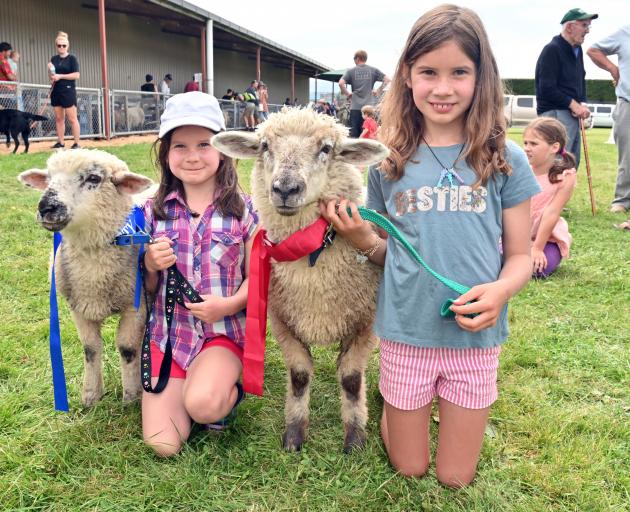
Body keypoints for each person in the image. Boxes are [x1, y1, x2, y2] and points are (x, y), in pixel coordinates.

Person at [321, 5, 540, 487]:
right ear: (407, 75)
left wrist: (501, 292)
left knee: (455, 477)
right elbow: (387, 253)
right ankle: (398, 411)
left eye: (459, 72)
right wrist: (361, 238)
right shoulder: (385, 163)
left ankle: (433, 408)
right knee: (410, 467)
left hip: (474, 338)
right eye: (429, 73)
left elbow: (522, 256)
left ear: (481, 76)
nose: (443, 88)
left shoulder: (505, 157)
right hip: (406, 333)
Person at [142, 91, 259, 457]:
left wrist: (228, 305)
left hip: (221, 334)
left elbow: (257, 280)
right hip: (169, 336)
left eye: (204, 144)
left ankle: (224, 395)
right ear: (165, 153)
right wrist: (148, 263)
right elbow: (143, 290)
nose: (192, 156)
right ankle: (189, 389)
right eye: (180, 146)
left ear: (223, 149)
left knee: (204, 404)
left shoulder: (245, 212)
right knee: (163, 445)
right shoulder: (151, 211)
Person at [535, 8, 598, 169]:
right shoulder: (552, 49)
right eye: (584, 25)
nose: (587, 31)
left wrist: (581, 103)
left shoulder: (577, 50)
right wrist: (573, 104)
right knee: (557, 164)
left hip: (570, 114)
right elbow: (546, 88)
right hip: (555, 114)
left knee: (570, 163)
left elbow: (580, 78)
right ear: (570, 27)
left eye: (588, 26)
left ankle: (563, 194)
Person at [523, 118, 577, 278]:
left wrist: (537, 248)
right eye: (525, 143)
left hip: (548, 240)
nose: (526, 148)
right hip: (519, 236)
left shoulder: (565, 176)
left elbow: (552, 212)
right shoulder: (521, 170)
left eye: (533, 144)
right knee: (498, 263)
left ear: (554, 147)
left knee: (537, 270)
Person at [587, 25, 630, 213]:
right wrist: (613, 68)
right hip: (628, 101)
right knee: (627, 155)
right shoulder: (625, 33)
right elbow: (593, 50)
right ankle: (622, 200)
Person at [339, 50, 391, 138]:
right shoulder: (373, 70)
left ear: (357, 58)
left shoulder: (351, 71)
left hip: (355, 107)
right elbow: (388, 80)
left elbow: (341, 83)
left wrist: (348, 94)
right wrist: (378, 90)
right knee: (369, 134)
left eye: (354, 59)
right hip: (369, 108)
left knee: (354, 136)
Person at [48, 31, 81, 149]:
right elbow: (52, 76)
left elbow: (77, 75)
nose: (61, 47)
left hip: (68, 90)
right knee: (58, 118)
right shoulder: (54, 59)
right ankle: (60, 142)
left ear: (68, 46)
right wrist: (51, 73)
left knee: (72, 118)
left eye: (64, 45)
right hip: (56, 90)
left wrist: (60, 76)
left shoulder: (72, 59)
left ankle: (77, 143)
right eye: (59, 45)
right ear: (56, 45)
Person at [0, 42, 17, 109]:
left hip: (4, 89)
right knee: (17, 107)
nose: (10, 54)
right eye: (9, 52)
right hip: (4, 90)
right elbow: (10, 76)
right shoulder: (2, 61)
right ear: (4, 51)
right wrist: (15, 77)